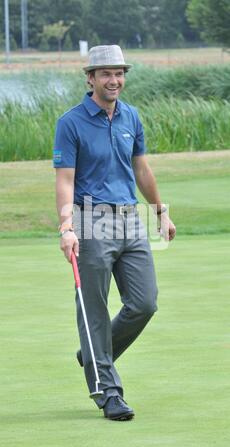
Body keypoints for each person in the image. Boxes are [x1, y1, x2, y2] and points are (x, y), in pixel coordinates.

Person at [53, 45, 176, 421]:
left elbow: (141, 169)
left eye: (119, 73)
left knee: (145, 303)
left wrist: (160, 210)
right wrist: (67, 226)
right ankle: (108, 393)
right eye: (105, 73)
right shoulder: (70, 122)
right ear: (90, 78)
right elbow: (65, 180)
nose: (114, 80)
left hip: (130, 220)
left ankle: (92, 353)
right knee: (94, 311)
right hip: (90, 221)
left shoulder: (131, 117)